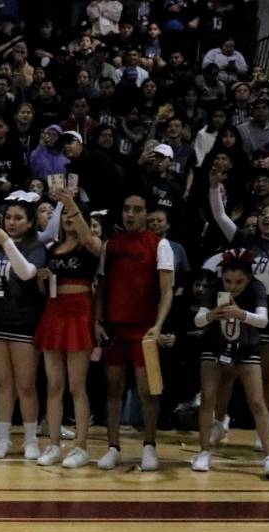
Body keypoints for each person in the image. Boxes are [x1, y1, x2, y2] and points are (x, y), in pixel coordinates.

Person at [206, 167, 269, 448]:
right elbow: (220, 217)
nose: (267, 216)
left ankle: (263, 429)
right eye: (265, 212)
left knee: (267, 374)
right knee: (227, 372)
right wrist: (213, 187)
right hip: (240, 314)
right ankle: (219, 422)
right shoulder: (246, 238)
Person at [95, 193, 174, 471]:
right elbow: (101, 289)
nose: (130, 214)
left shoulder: (160, 245)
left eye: (137, 209)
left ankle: (149, 446)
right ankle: (113, 447)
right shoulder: (111, 246)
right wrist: (97, 320)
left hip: (145, 331)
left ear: (147, 214)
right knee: (112, 389)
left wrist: (159, 325)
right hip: (115, 329)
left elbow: (167, 291)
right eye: (126, 209)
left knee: (148, 391)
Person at [191, 250, 269, 478]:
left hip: (246, 350)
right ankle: (203, 452)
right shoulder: (213, 289)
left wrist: (241, 314)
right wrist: (212, 315)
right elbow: (198, 320)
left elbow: (263, 321)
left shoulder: (257, 289)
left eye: (239, 282)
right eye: (228, 281)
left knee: (257, 401)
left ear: (248, 279)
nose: (232, 287)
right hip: (215, 348)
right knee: (208, 398)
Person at [33, 190, 102, 468]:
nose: (68, 221)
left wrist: (70, 203)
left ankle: (81, 447)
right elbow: (44, 290)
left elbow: (91, 242)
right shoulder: (51, 250)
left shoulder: (90, 244)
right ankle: (53, 445)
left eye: (74, 216)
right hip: (54, 314)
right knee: (54, 385)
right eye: (64, 217)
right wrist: (41, 279)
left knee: (77, 386)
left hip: (79, 315)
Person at [0, 194, 47, 460]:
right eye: (8, 217)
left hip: (24, 323)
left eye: (19, 218)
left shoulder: (36, 247)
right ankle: (4, 438)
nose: (11, 222)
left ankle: (31, 440)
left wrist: (7, 243)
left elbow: (27, 273)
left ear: (30, 222)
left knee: (26, 385)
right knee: (3, 384)